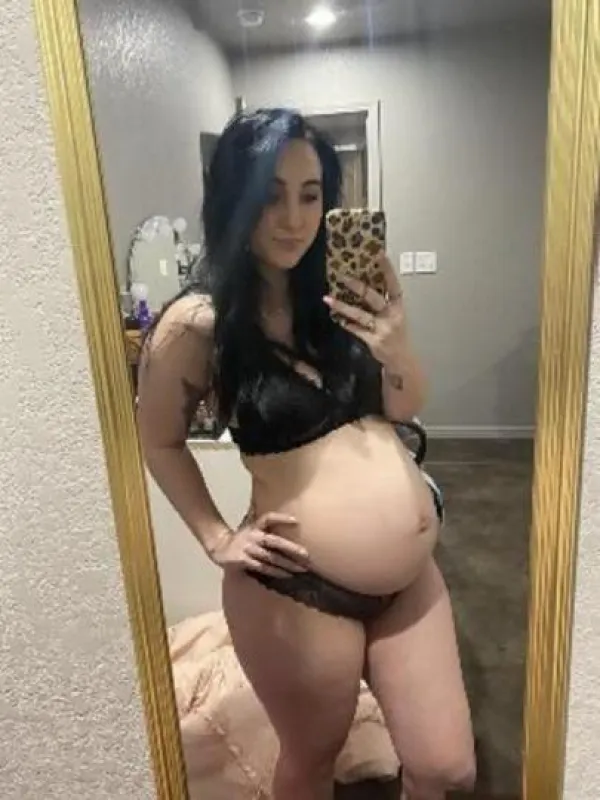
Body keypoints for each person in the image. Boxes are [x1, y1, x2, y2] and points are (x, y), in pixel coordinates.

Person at [137, 107, 475, 800]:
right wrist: (216, 538)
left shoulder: (340, 295)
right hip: (298, 586)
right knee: (314, 758)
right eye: (271, 195)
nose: (293, 218)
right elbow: (159, 440)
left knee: (447, 769)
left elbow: (403, 406)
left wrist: (398, 346)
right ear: (234, 197)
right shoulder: (197, 324)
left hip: (409, 580)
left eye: (311, 194)